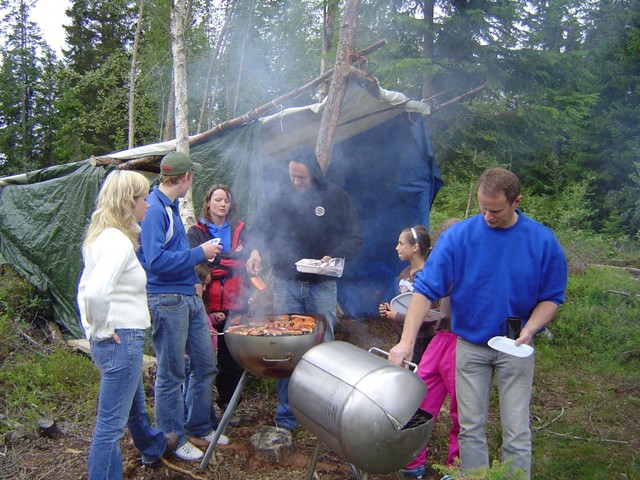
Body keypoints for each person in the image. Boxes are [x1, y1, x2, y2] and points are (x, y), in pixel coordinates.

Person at [389, 168, 567, 479]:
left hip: (516, 346)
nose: (487, 216)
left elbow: (551, 297)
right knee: (470, 427)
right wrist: (406, 341)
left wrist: (531, 328)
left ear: (516, 202)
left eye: (495, 210)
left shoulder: (540, 241)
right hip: (469, 344)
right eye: (483, 207)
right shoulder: (460, 237)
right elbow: (424, 291)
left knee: (516, 429)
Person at [246, 145, 363, 431]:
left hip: (321, 287)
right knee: (287, 348)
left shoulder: (336, 198)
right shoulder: (280, 197)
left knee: (323, 349)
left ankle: (323, 415)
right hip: (286, 283)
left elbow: (354, 237)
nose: (296, 182)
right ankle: (286, 415)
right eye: (292, 176)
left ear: (314, 174)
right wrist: (256, 251)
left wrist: (332, 254)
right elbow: (260, 227)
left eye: (301, 177)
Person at [77, 170, 177, 479]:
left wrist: (91, 329)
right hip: (122, 338)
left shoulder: (102, 236)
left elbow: (83, 288)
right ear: (127, 202)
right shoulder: (118, 243)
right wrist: (104, 329)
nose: (148, 204)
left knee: (134, 407)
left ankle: (153, 444)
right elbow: (94, 292)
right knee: (110, 427)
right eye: (144, 198)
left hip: (114, 337)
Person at [137, 152, 228, 462]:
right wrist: (198, 253)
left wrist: (194, 272)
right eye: (193, 175)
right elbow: (155, 261)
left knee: (205, 365)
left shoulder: (171, 209)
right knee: (172, 373)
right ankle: (172, 437)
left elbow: (173, 256)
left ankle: (198, 424)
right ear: (185, 177)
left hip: (187, 297)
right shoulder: (154, 210)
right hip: (166, 300)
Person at [400, 218, 461, 478]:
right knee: (419, 398)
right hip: (441, 338)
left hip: (464, 343)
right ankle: (413, 462)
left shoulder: (472, 262)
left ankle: (456, 469)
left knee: (462, 411)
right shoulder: (440, 264)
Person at [187, 184, 250, 423]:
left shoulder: (241, 228)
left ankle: (228, 407)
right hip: (206, 302)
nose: (223, 204)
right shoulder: (197, 231)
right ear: (208, 203)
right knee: (200, 357)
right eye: (218, 200)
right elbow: (196, 262)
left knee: (231, 356)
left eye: (226, 200)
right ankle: (198, 412)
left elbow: (248, 260)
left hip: (237, 300)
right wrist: (234, 257)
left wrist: (218, 259)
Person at [378, 225, 437, 364]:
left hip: (421, 339)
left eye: (401, 243)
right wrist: (390, 310)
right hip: (403, 334)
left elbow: (431, 316)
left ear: (415, 247)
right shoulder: (405, 273)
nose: (396, 248)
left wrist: (397, 316)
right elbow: (405, 303)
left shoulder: (427, 276)